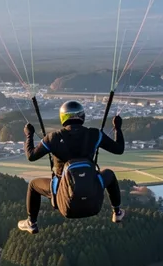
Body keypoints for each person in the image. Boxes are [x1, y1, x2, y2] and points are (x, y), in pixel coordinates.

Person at [18, 99, 125, 233]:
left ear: (63, 117)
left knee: (33, 185)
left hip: (62, 198)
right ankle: (117, 212)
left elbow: (31, 156)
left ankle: (31, 223)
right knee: (109, 173)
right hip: (93, 199)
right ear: (82, 116)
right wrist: (118, 128)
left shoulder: (53, 138)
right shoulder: (94, 134)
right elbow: (119, 149)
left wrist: (29, 135)